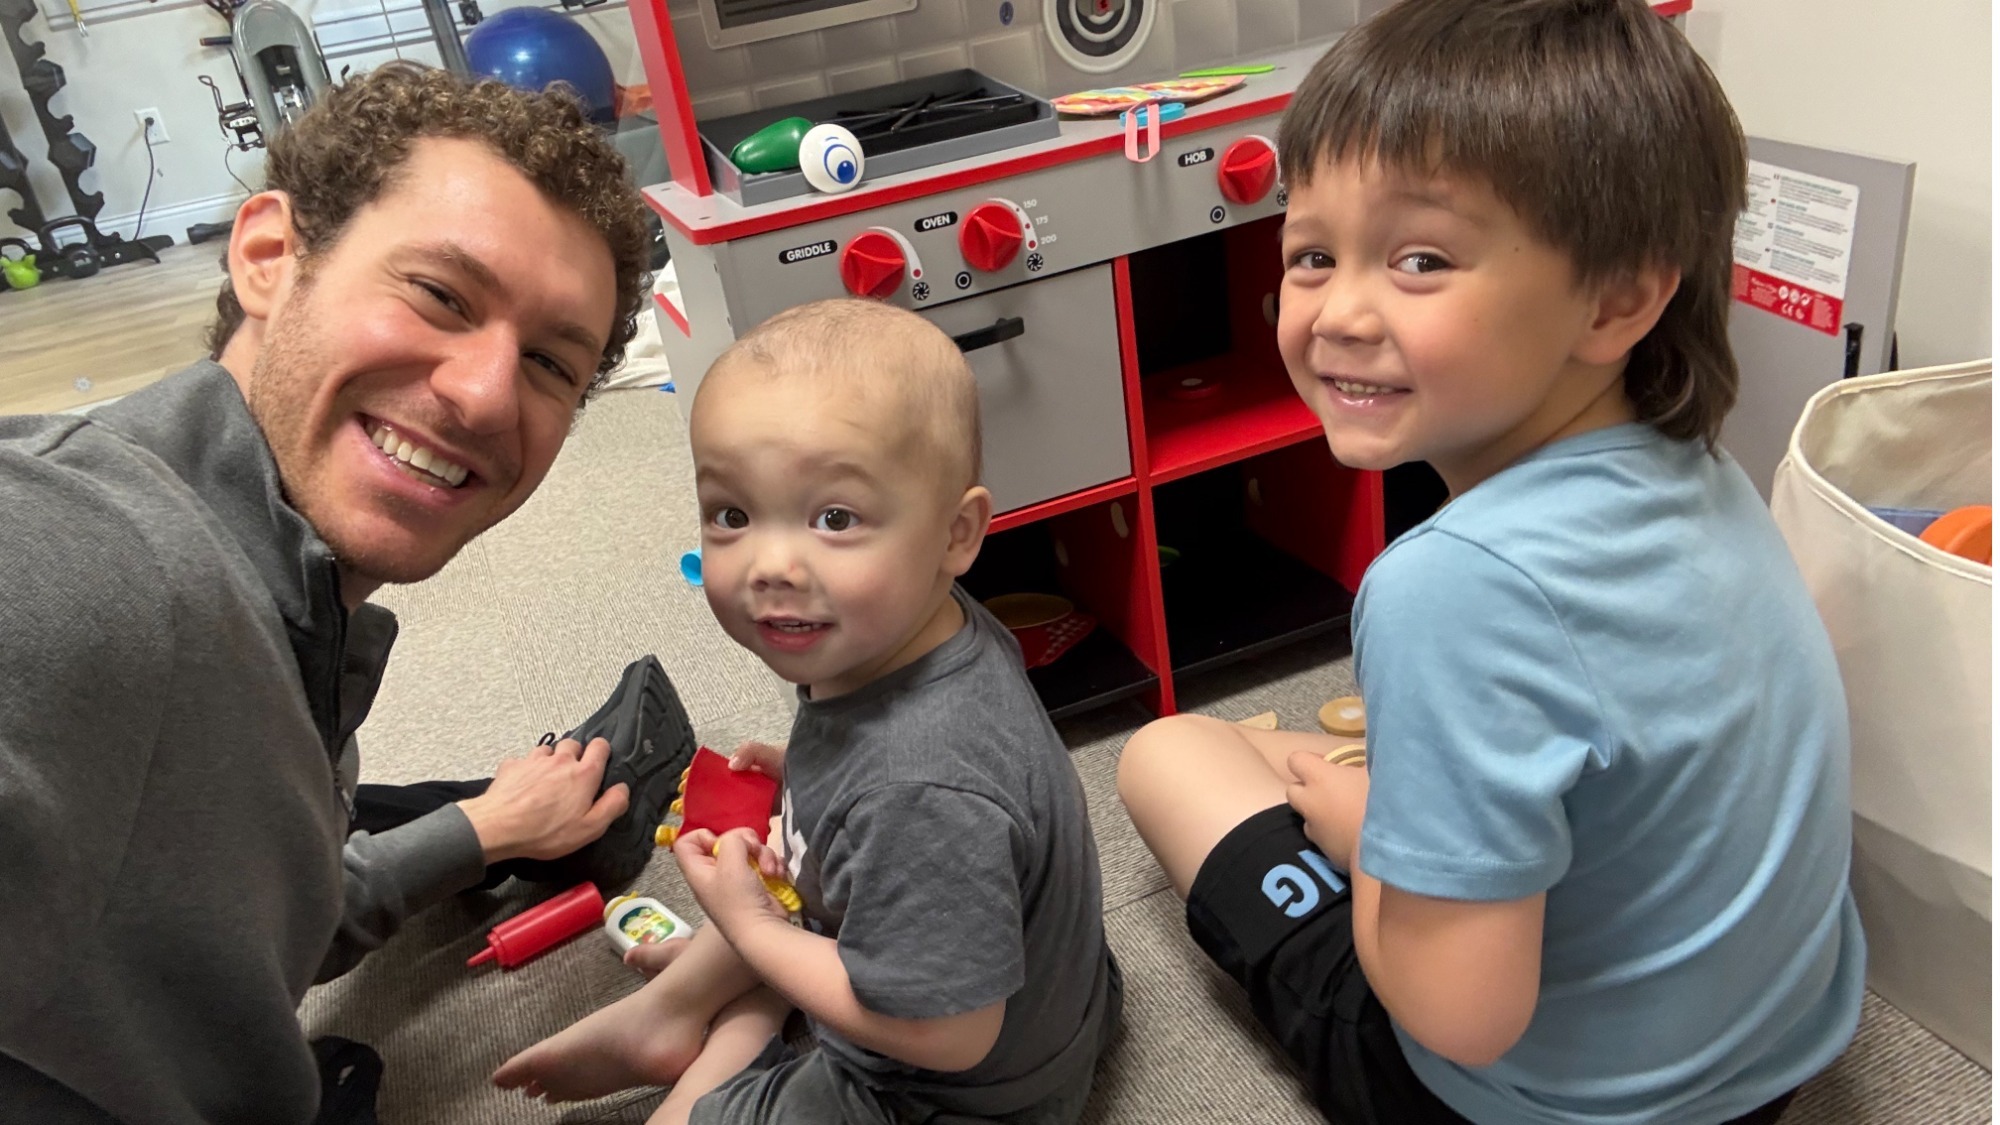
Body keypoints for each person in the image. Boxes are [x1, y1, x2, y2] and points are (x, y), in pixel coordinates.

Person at [1116, 2, 1865, 1123]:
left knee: (1166, 751)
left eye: (1420, 259)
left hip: (1540, 1102)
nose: (1337, 313)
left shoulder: (1443, 588)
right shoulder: (1699, 468)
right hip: (1772, 1057)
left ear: (1616, 298)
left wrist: (1368, 834)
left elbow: (1455, 1015)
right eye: (1312, 253)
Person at [0, 62, 682, 1125]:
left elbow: (250, 921)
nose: (485, 393)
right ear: (271, 254)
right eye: (440, 294)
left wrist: (481, 829)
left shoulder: (287, 615)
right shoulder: (90, 557)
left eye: (551, 363)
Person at [492, 299, 1122, 1125]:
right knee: (793, 878)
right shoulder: (918, 627)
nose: (771, 563)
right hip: (1041, 985)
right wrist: (816, 782)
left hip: (952, 1095)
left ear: (956, 533)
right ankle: (676, 1014)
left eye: (835, 518)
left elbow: (949, 1034)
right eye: (733, 515)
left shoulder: (919, 783)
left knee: (755, 957)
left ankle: (716, 1055)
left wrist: (754, 935)